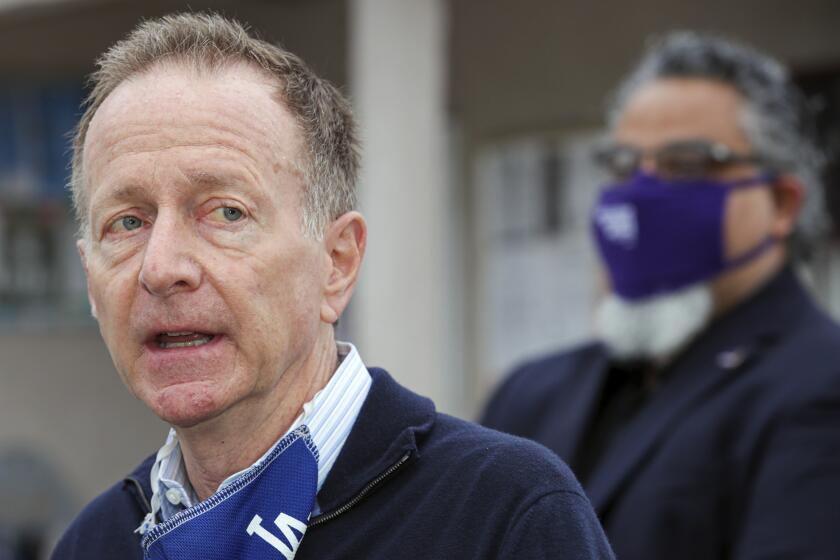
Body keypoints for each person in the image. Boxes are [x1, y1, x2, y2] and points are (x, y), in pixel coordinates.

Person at [50, 12, 613, 560]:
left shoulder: (502, 514)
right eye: (127, 222)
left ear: (337, 263)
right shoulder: (95, 543)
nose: (161, 266)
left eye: (226, 213)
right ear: (91, 282)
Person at [482, 32, 840, 559]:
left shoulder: (820, 384)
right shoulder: (530, 392)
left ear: (782, 203)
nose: (642, 193)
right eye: (624, 165)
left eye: (689, 164)